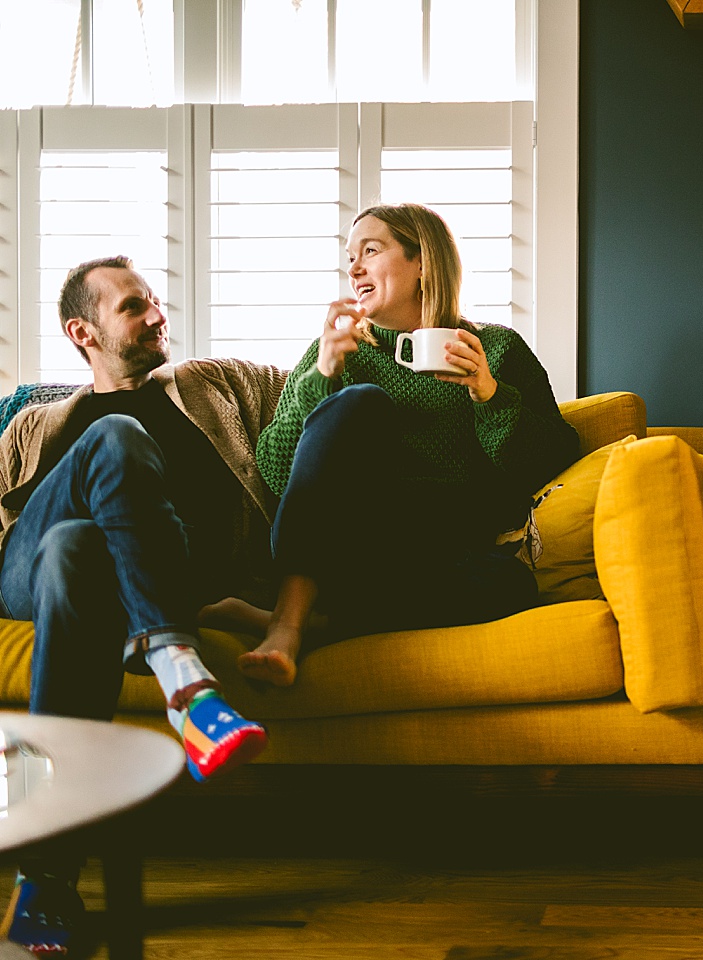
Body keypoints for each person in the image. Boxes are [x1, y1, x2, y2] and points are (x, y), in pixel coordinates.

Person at [0, 255, 285, 953]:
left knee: (77, 549)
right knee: (110, 447)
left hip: (128, 575)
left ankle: (47, 876)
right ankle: (182, 680)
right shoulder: (36, 424)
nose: (159, 315)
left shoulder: (211, 387)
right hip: (24, 573)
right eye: (134, 306)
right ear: (83, 332)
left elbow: (307, 388)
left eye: (156, 301)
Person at [223, 202, 578, 687]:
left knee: (510, 585)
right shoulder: (338, 350)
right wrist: (324, 375)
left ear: (422, 263)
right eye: (350, 256)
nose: (354, 267)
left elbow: (552, 461)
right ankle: (286, 624)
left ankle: (318, 622)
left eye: (371, 250)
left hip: (434, 557)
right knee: (360, 402)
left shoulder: (496, 349)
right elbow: (279, 472)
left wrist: (488, 393)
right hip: (351, 544)